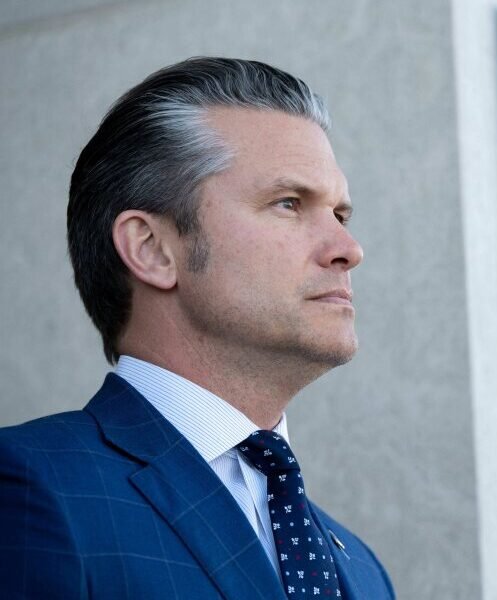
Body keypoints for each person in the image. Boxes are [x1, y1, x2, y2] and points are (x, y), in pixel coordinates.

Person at [0, 57, 395, 599]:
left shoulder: (364, 571)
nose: (348, 249)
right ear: (152, 249)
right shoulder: (33, 488)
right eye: (288, 203)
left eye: (340, 215)